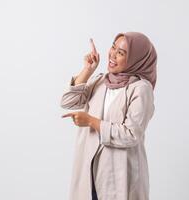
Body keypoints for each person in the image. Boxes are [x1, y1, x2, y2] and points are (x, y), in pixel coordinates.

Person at [60, 31, 157, 200]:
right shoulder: (101, 81)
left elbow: (131, 134)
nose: (112, 54)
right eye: (113, 47)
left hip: (119, 174)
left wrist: (90, 121)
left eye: (121, 53)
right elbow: (67, 101)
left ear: (136, 59)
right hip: (90, 171)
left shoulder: (141, 89)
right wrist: (87, 70)